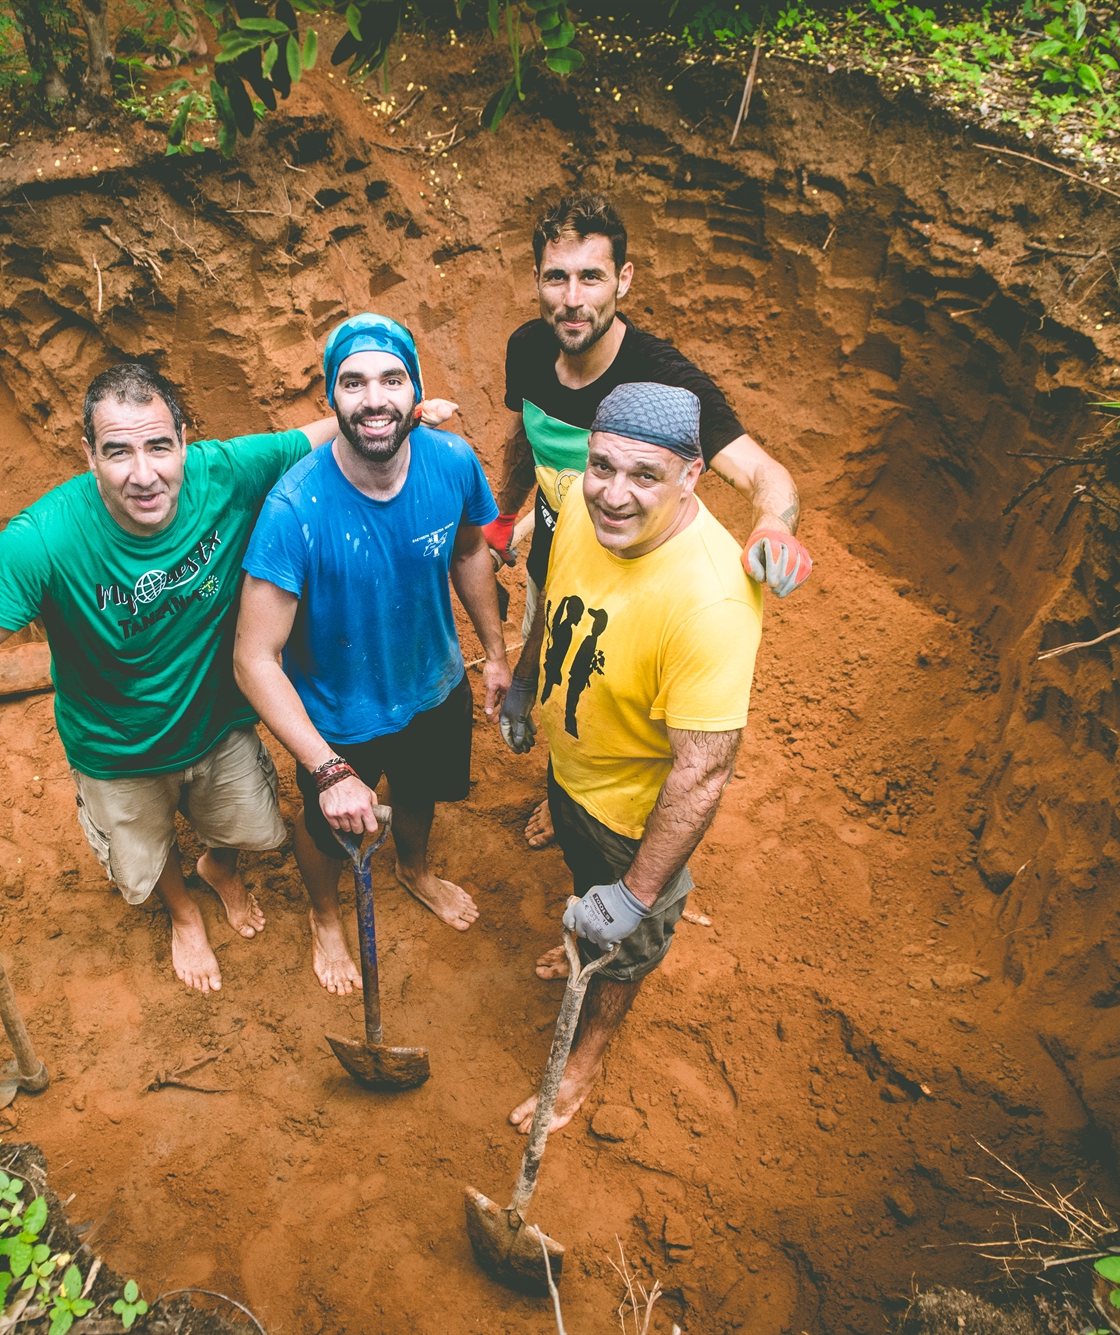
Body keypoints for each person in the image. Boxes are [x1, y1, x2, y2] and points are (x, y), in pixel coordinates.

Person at [0, 364, 351, 995]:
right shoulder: (44, 539)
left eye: (159, 446)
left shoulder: (225, 472)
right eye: (118, 452)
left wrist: (395, 414)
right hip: (116, 748)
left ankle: (219, 867)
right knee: (148, 847)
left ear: (184, 440)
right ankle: (183, 913)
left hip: (219, 722)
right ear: (89, 456)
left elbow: (315, 435)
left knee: (237, 823)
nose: (143, 473)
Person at [489, 193, 810, 847]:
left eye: (592, 276)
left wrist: (775, 523)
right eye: (557, 277)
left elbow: (765, 475)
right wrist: (505, 512)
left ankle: (583, 798)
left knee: (604, 696)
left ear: (623, 280)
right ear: (537, 281)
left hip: (637, 573)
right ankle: (554, 756)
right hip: (557, 534)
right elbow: (526, 436)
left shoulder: (664, 381)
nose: (572, 298)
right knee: (547, 646)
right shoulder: (527, 348)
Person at [504, 382, 763, 1135]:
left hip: (635, 819)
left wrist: (637, 895)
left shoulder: (710, 600)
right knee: (584, 888)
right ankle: (582, 930)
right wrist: (526, 679)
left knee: (626, 945)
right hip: (572, 772)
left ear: (692, 476)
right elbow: (552, 595)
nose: (613, 495)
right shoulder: (583, 507)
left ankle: (581, 1064)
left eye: (644, 475)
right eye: (602, 466)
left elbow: (702, 770)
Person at [235, 314, 513, 996]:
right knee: (327, 829)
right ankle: (324, 915)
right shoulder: (294, 508)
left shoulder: (452, 462)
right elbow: (254, 659)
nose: (374, 398)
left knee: (420, 791)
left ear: (414, 389)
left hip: (434, 681)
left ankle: (414, 871)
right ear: (333, 398)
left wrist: (497, 652)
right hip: (338, 711)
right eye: (353, 382)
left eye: (392, 378)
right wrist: (328, 770)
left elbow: (472, 551)